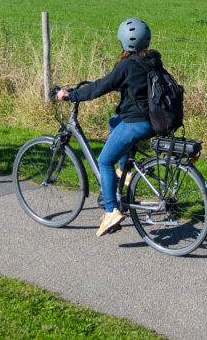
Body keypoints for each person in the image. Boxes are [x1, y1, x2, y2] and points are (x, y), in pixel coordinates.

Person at [56, 18, 161, 237]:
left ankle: (110, 211)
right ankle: (125, 172)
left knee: (104, 161)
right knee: (114, 122)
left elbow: (101, 87)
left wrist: (71, 95)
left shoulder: (128, 64)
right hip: (154, 120)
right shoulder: (152, 60)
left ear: (124, 41)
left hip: (137, 123)